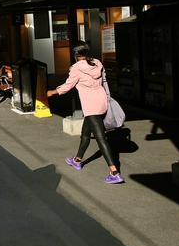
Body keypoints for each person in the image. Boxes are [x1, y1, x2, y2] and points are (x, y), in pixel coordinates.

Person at [47, 41, 124, 184]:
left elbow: (68, 86)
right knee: (85, 134)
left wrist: (53, 92)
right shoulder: (97, 63)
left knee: (101, 138)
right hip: (101, 102)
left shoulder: (76, 68)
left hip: (91, 106)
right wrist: (107, 98)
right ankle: (77, 160)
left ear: (76, 55)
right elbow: (105, 82)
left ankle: (114, 172)